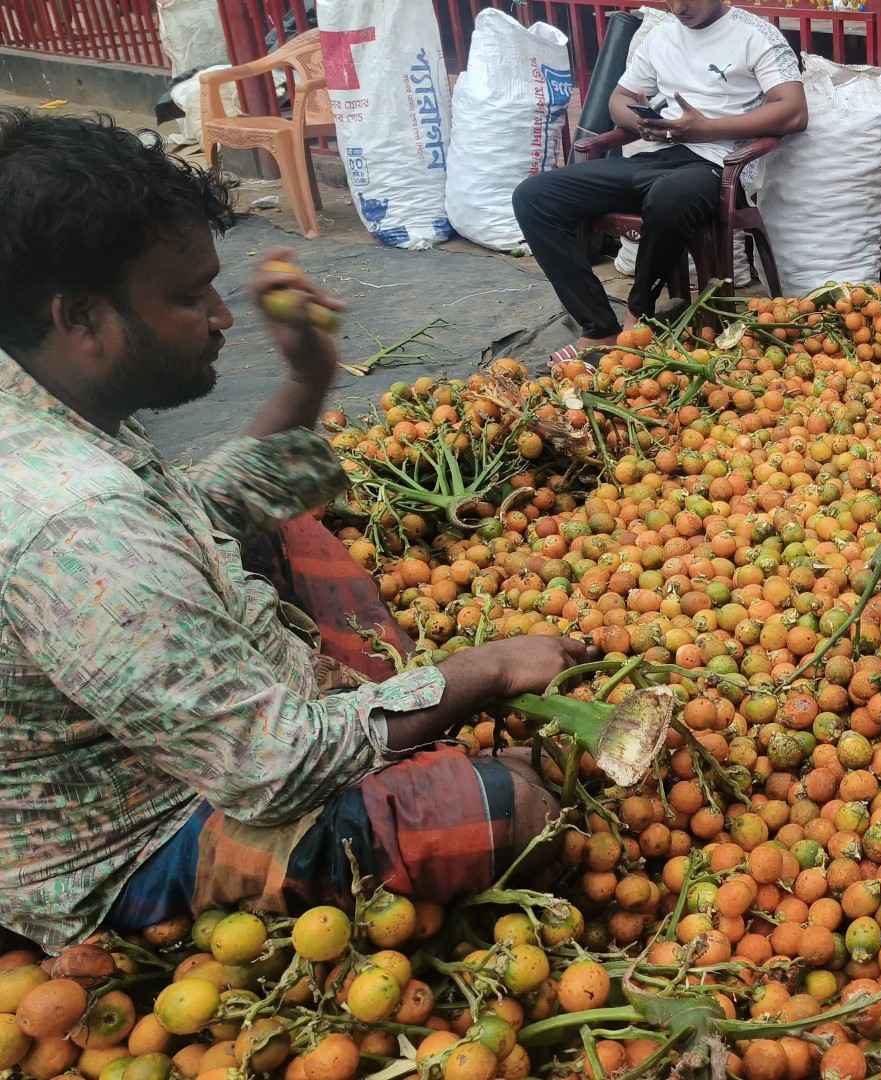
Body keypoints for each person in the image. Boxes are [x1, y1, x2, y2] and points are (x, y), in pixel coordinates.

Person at [0, 108, 588, 952]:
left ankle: (382, 713)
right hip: (135, 836)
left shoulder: (44, 398)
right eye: (187, 296)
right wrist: (481, 670)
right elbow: (268, 772)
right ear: (82, 319)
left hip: (176, 710)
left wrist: (309, 373)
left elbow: (201, 512)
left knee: (289, 526)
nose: (222, 317)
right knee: (513, 810)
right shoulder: (80, 526)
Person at [513, 0, 808, 364]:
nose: (679, 7)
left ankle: (640, 314)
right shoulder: (661, 36)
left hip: (717, 164)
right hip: (660, 155)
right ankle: (599, 326)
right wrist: (644, 125)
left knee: (670, 196)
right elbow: (619, 99)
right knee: (534, 196)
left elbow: (794, 110)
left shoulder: (756, 35)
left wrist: (705, 130)